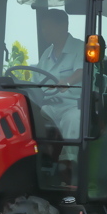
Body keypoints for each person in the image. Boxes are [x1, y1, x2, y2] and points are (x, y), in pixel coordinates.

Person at [37, 8, 85, 139]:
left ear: (63, 26)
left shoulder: (81, 47)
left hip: (73, 105)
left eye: (49, 27)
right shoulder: (46, 54)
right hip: (49, 106)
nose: (45, 31)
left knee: (73, 120)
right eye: (43, 27)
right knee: (28, 118)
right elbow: (36, 81)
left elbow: (83, 71)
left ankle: (70, 159)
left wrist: (67, 82)